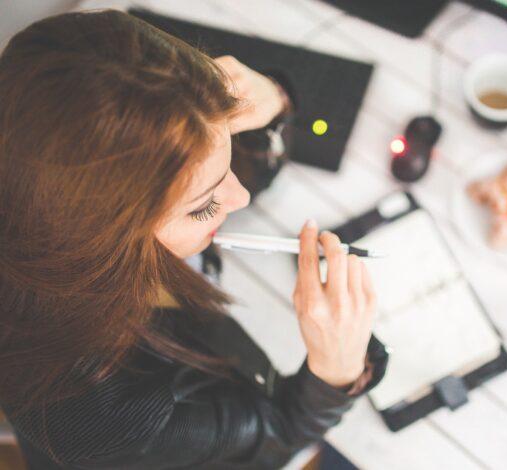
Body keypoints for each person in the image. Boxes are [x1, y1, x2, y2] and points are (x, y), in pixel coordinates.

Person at [0, 9, 387, 469]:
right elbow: (277, 436)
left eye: (227, 145)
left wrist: (273, 98)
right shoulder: (103, 408)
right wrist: (336, 370)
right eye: (203, 205)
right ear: (105, 236)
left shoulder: (52, 171)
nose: (239, 197)